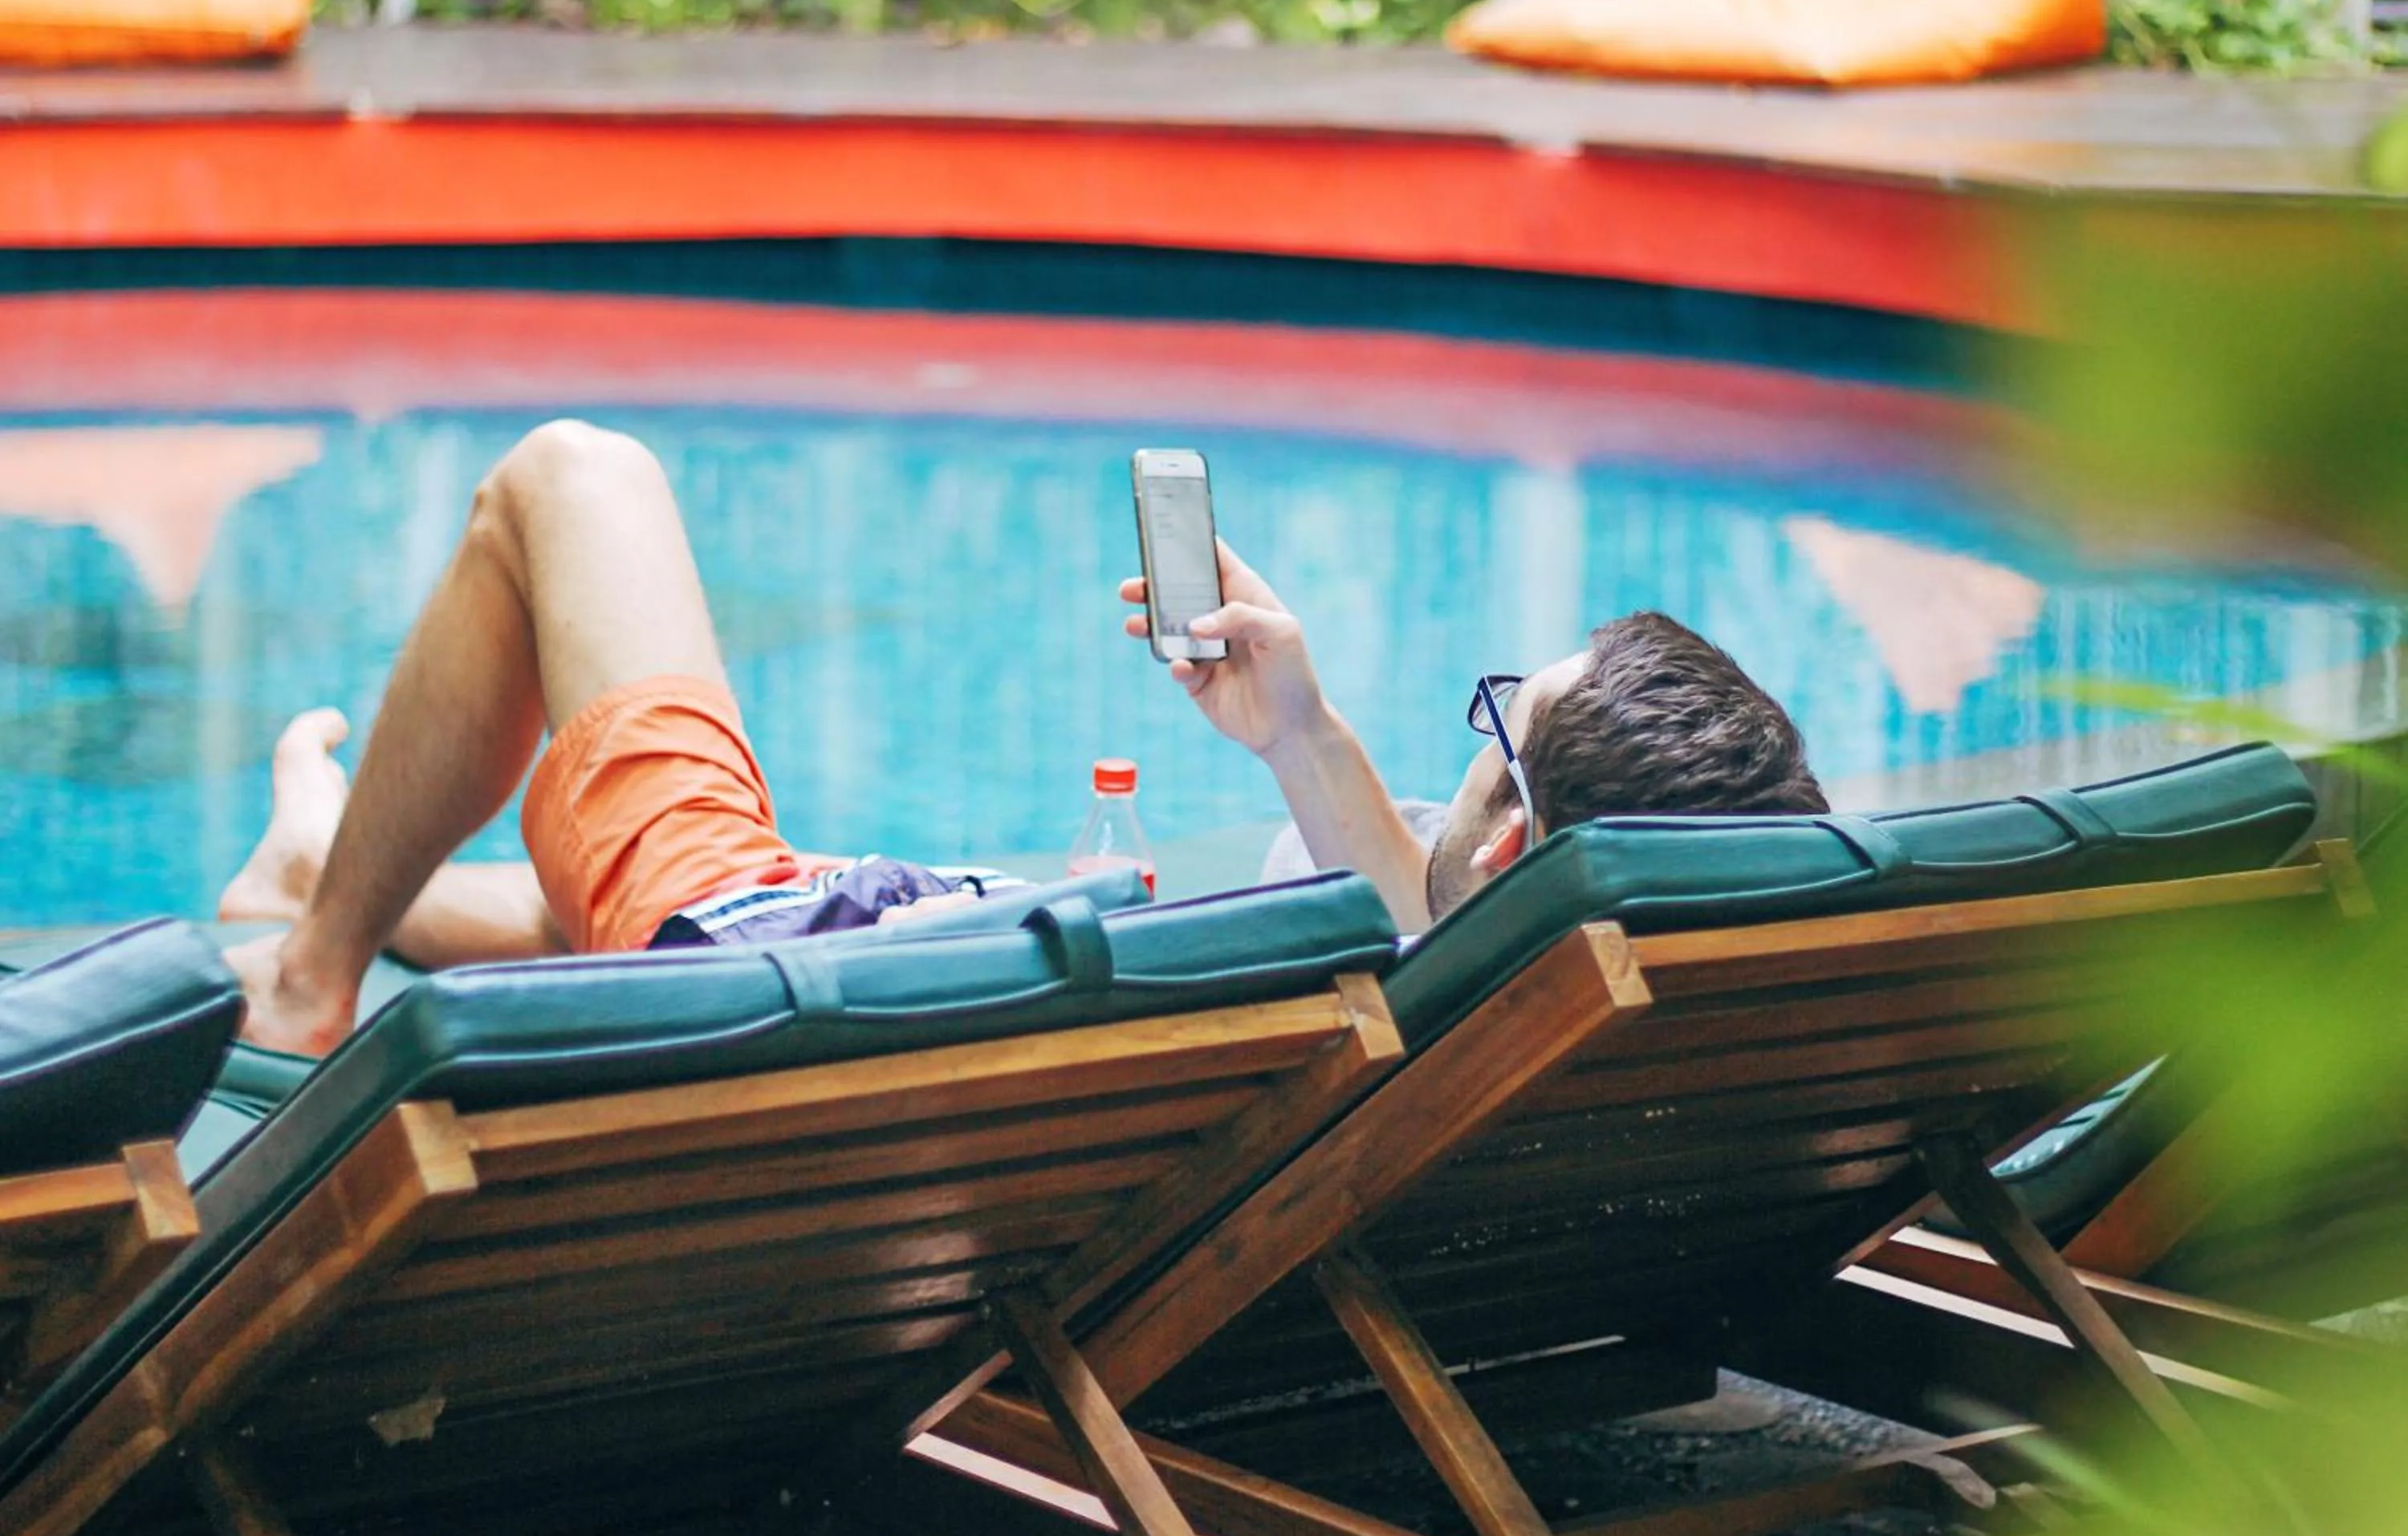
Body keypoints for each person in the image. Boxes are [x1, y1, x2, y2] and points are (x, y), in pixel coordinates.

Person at [222, 421, 1824, 1055]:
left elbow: (1439, 901)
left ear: (1523, 841)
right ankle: (329, 862)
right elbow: (1443, 911)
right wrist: (1302, 735)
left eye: (1494, 734)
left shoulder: (1388, 990)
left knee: (571, 485)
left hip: (799, 969)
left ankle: (313, 967)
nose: (1462, 749)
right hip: (936, 941)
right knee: (625, 884)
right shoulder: (1574, 1028)